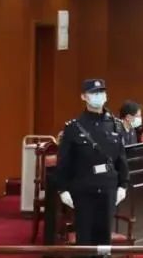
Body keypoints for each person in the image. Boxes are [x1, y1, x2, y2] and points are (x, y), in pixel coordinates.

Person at [54, 79, 129, 248]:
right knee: (85, 238)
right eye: (94, 93)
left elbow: (121, 159)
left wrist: (123, 185)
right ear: (84, 97)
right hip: (84, 188)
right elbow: (64, 161)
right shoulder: (74, 127)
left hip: (108, 186)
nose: (98, 96)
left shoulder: (116, 125)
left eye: (101, 92)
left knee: (104, 237)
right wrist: (63, 189)